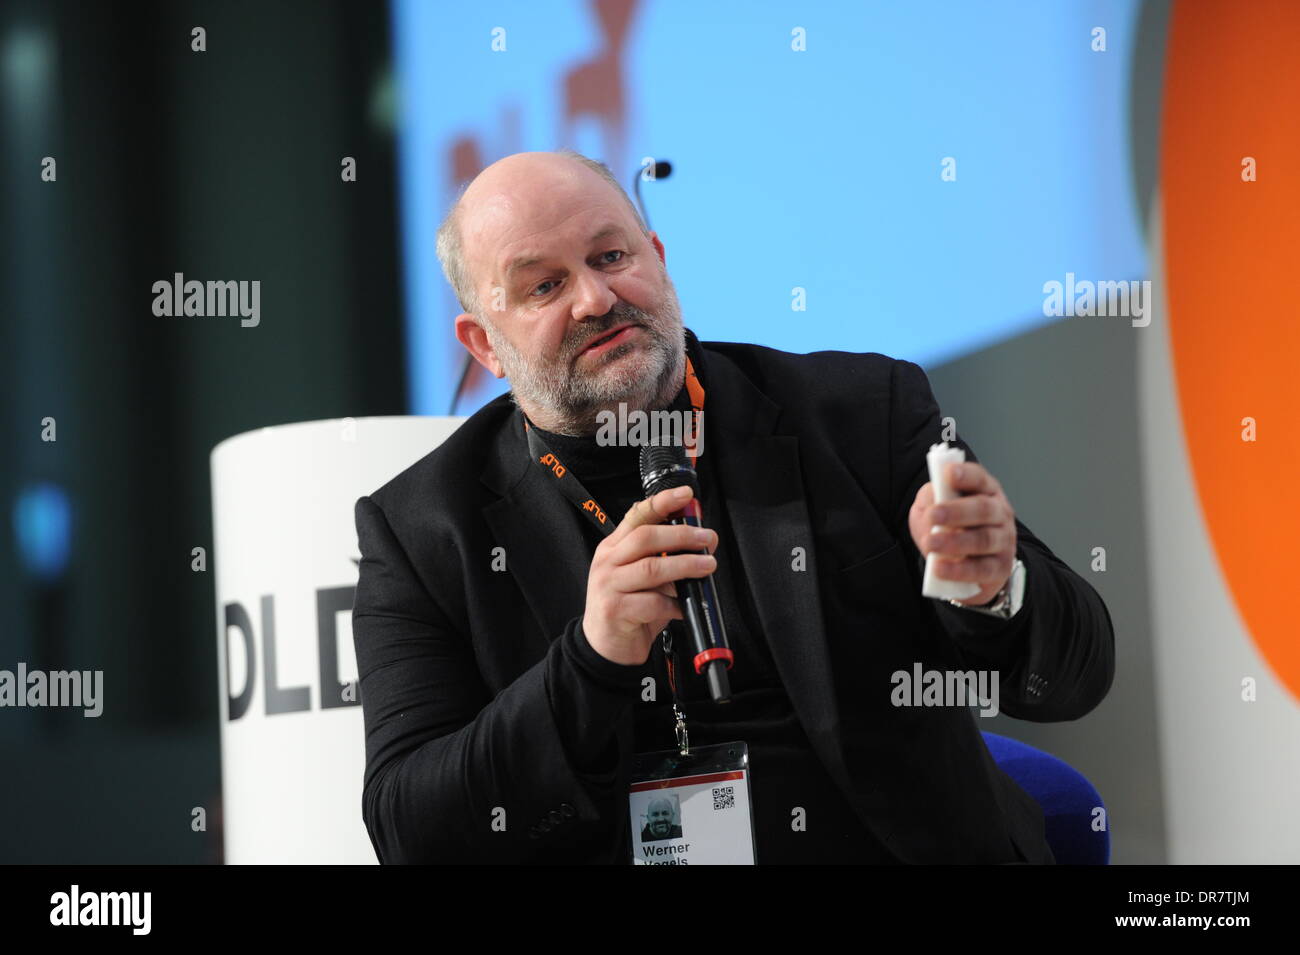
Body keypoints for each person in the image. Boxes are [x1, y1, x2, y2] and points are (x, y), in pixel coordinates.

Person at [351, 149, 1115, 864]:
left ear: (659, 257)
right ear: (484, 345)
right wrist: (588, 662)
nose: (595, 298)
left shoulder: (860, 413)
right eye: (544, 285)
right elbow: (413, 831)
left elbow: (1075, 676)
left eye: (612, 257)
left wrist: (993, 587)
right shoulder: (424, 530)